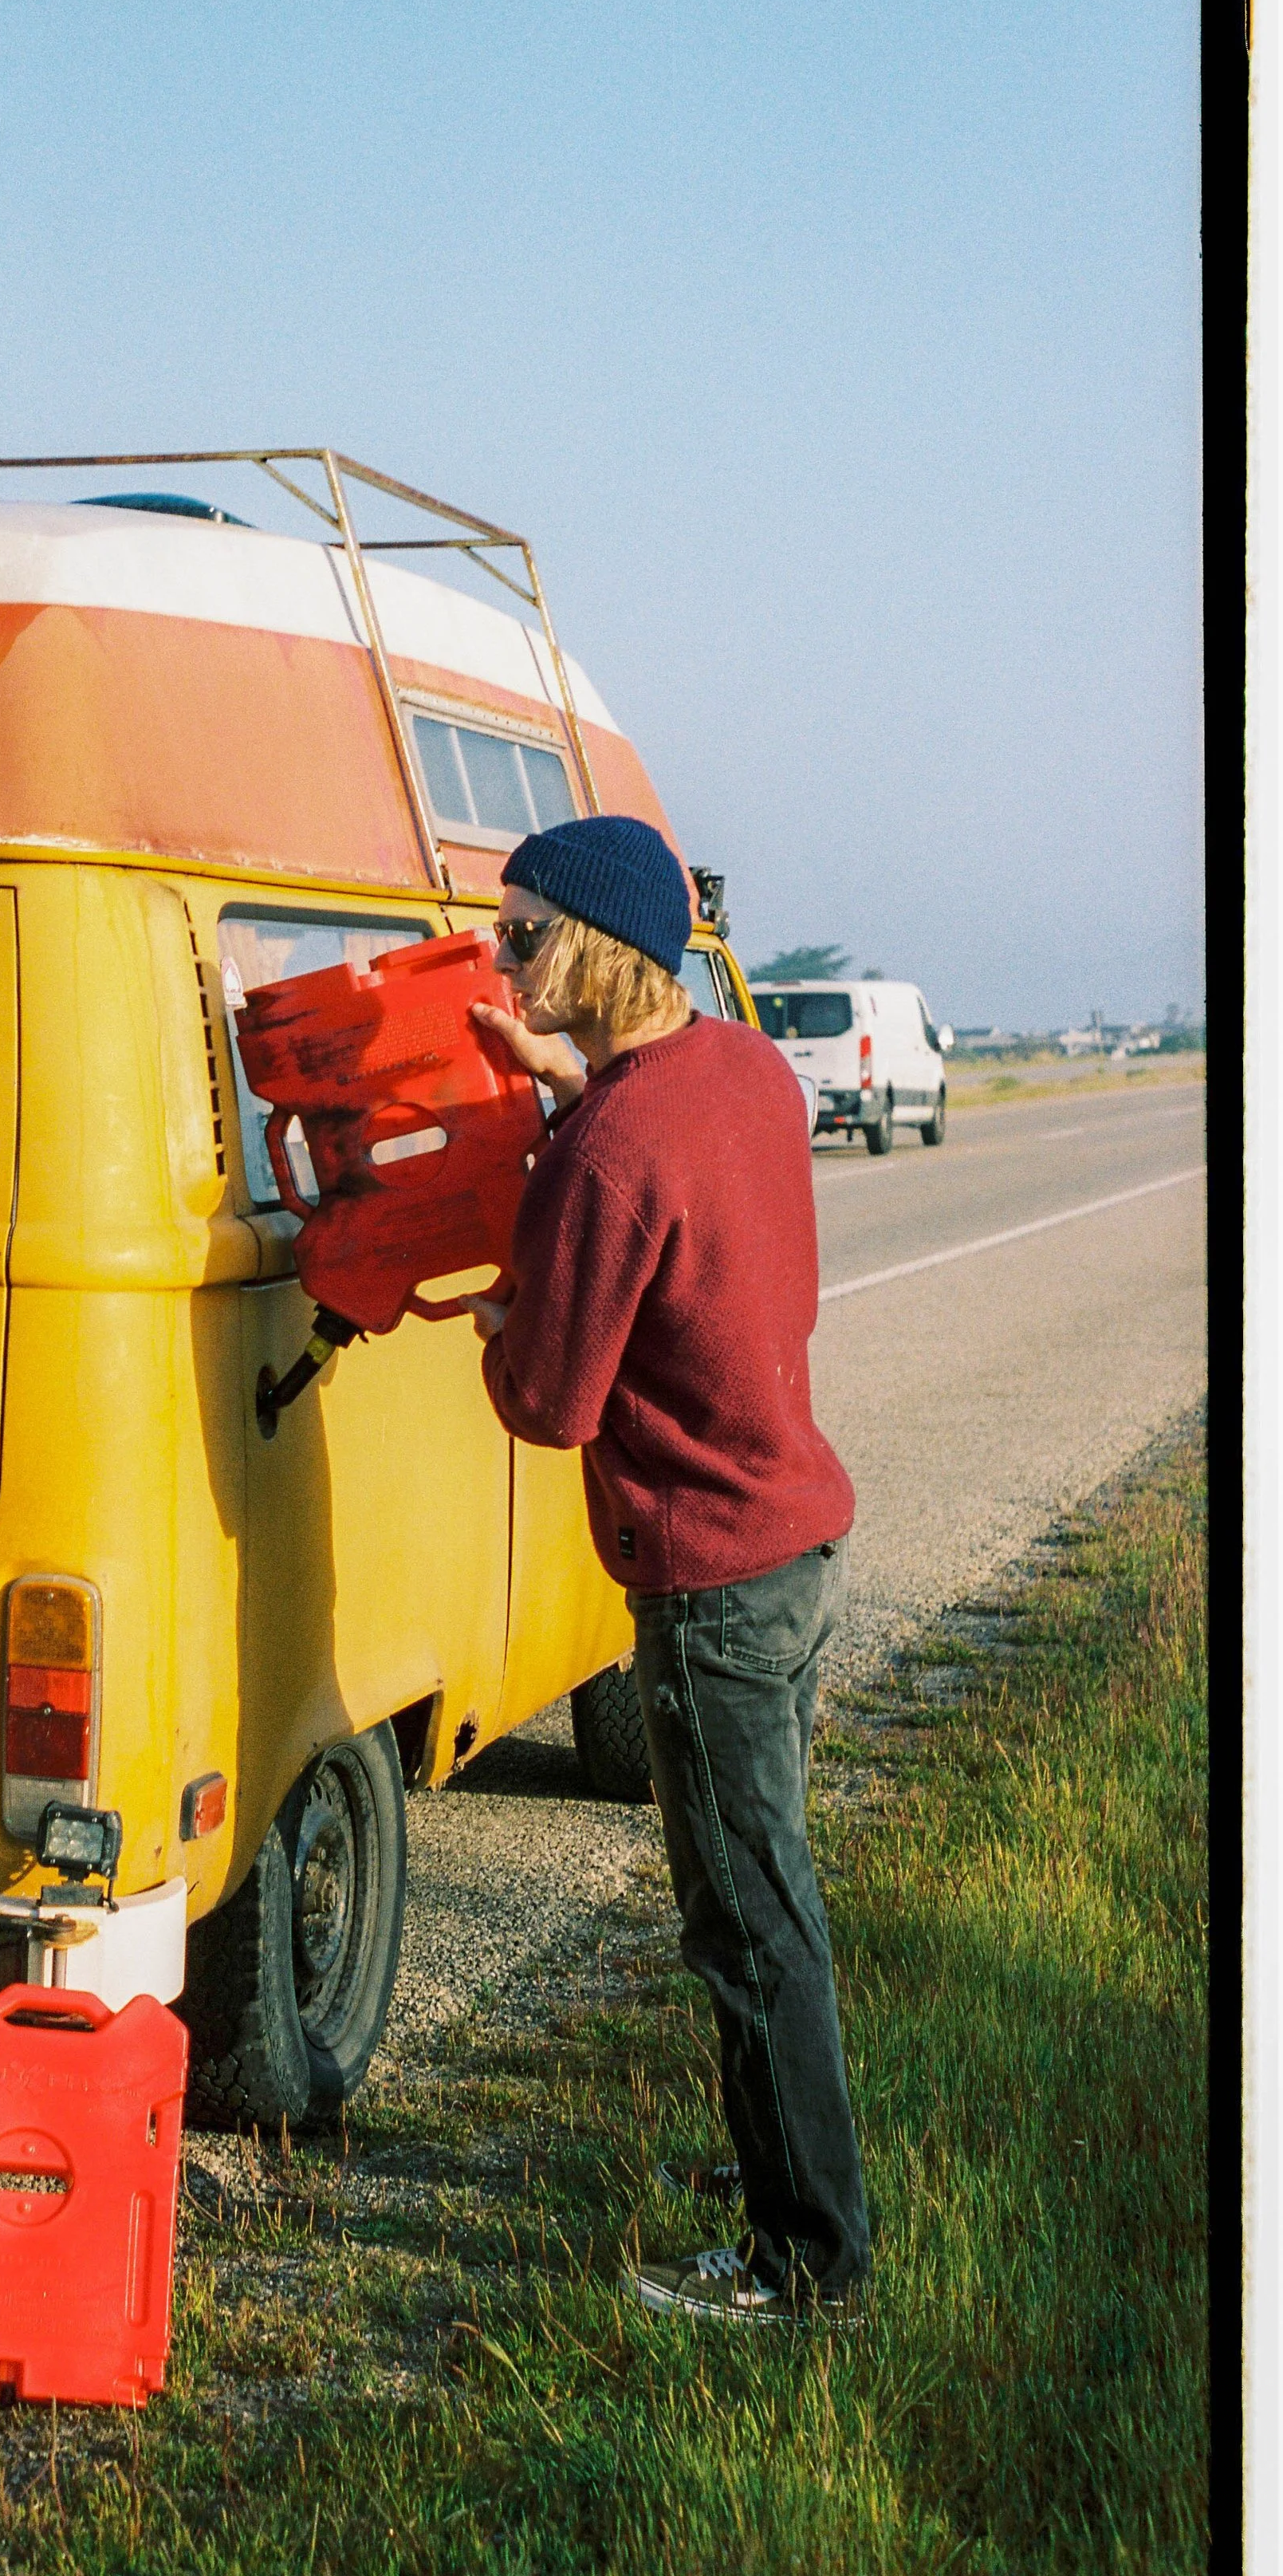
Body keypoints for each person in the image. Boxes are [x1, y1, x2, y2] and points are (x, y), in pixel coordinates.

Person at [462, 813, 871, 2326]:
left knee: (749, 1925)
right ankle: (779, 2164)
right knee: (776, 1891)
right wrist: (578, 1093)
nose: (502, 965)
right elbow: (680, 1156)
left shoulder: (608, 1154)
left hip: (708, 1584)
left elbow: (552, 1405)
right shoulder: (746, 1072)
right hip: (794, 1535)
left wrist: (504, 1325)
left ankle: (806, 2259)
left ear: (598, 947)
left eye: (520, 936)